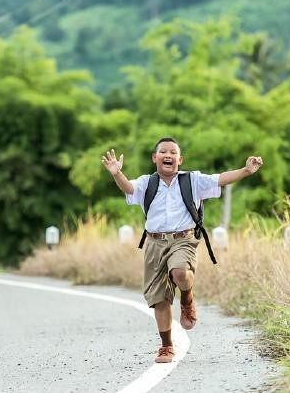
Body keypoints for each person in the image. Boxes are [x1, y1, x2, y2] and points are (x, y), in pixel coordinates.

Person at [101, 137, 263, 363]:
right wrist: (117, 173)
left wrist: (246, 170)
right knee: (159, 299)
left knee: (180, 272)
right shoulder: (147, 183)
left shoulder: (192, 180)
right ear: (155, 158)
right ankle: (166, 346)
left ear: (180, 159)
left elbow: (220, 179)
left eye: (173, 152)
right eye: (163, 152)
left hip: (183, 239)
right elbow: (128, 188)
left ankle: (187, 298)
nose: (168, 155)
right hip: (154, 243)